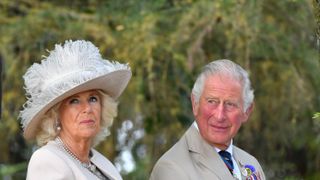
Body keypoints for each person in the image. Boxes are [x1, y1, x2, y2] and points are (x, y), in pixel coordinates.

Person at [19, 40, 131, 180]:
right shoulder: (47, 159)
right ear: (56, 115)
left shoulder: (102, 163)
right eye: (74, 101)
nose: (87, 109)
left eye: (93, 99)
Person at [150, 59, 266, 180]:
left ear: (246, 111)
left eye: (230, 104)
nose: (219, 115)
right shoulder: (172, 168)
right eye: (211, 102)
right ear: (195, 104)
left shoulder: (252, 164)